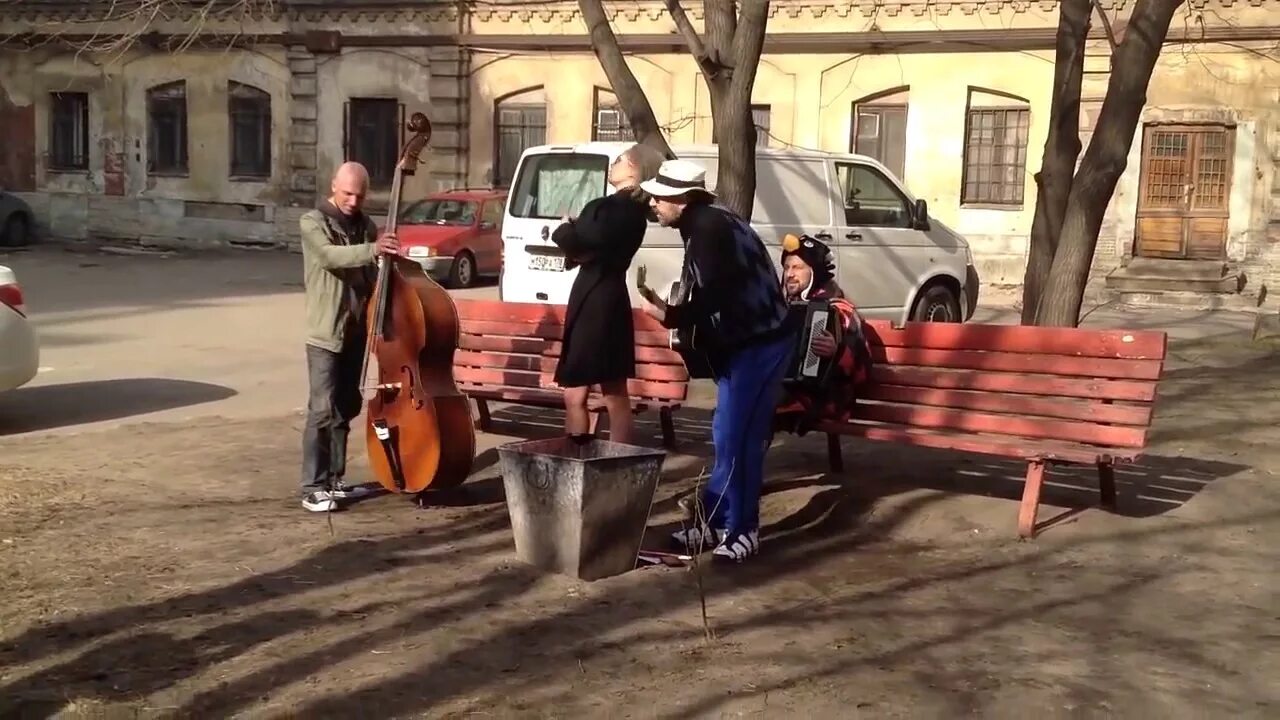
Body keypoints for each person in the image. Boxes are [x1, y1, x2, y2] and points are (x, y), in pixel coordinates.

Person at [637, 159, 792, 564]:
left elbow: (715, 295)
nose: (653, 202)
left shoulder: (706, 227)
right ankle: (713, 520)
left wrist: (672, 315)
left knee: (737, 439)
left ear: (683, 200)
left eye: (660, 196)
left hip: (758, 345)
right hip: (751, 343)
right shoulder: (709, 220)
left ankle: (744, 530)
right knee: (728, 435)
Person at [297, 161, 400, 513]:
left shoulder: (366, 225)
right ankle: (312, 486)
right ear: (334, 186)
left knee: (346, 408)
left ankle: (334, 481)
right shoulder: (313, 221)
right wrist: (373, 250)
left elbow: (373, 271)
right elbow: (329, 256)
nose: (353, 201)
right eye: (347, 193)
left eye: (359, 194)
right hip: (325, 332)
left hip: (357, 329)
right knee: (321, 410)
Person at [550, 144, 665, 446]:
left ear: (633, 168)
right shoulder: (632, 212)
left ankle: (586, 458)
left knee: (589, 390)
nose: (612, 165)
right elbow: (593, 246)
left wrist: (564, 229)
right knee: (607, 389)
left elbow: (583, 245)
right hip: (605, 297)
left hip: (596, 302)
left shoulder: (614, 207)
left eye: (618, 160)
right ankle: (608, 459)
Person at [774, 233, 873, 436]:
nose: (790, 274)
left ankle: (741, 466)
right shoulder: (784, 307)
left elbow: (863, 365)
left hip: (829, 397)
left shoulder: (838, 308)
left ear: (815, 272)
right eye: (787, 267)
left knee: (756, 407)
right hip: (792, 393)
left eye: (798, 267)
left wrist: (836, 352)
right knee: (745, 400)